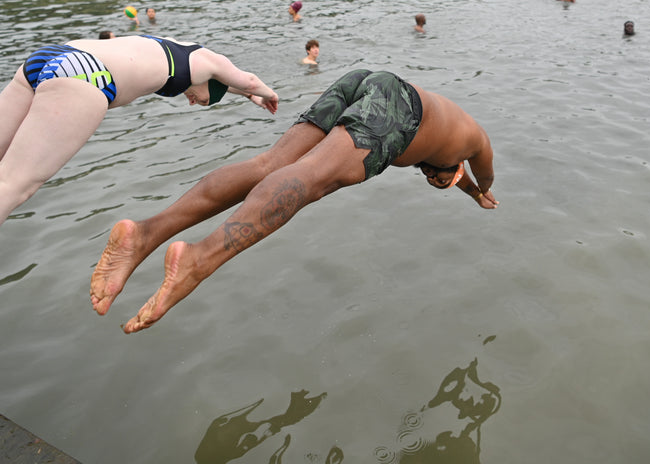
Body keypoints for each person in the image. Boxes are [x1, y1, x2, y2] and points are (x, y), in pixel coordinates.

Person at [91, 68, 498, 333]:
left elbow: (460, 177)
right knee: (313, 179)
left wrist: (468, 193)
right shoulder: (473, 141)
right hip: (397, 103)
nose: (430, 177)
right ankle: (198, 260)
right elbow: (483, 171)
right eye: (436, 178)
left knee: (269, 163)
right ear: (453, 168)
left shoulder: (446, 141)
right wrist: (485, 192)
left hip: (364, 81)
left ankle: (143, 235)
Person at [0, 35, 279, 227]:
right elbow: (250, 80)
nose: (192, 101)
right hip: (86, 74)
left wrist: (246, 95)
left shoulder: (183, 51)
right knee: (13, 185)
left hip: (50, 57)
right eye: (202, 100)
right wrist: (268, 94)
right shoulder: (213, 64)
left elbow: (232, 85)